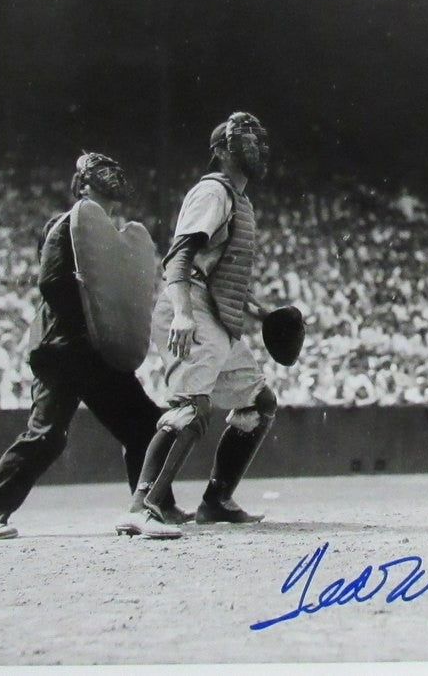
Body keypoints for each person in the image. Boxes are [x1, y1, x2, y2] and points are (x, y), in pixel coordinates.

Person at [0, 152, 173, 540]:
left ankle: (154, 504)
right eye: (100, 174)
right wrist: (89, 328)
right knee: (46, 434)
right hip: (62, 350)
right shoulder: (65, 226)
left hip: (94, 352)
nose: (110, 179)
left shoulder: (111, 237)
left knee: (143, 423)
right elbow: (52, 283)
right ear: (83, 184)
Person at [116, 112, 280, 538]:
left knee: (258, 403)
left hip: (215, 314)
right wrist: (184, 313)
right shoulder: (213, 191)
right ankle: (143, 507)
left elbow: (219, 273)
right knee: (190, 407)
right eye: (245, 139)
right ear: (222, 151)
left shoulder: (239, 200)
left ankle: (217, 501)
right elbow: (180, 258)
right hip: (188, 306)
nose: (256, 146)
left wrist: (257, 310)